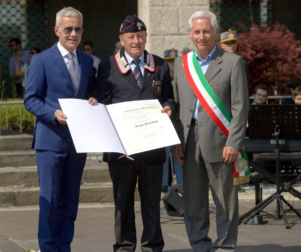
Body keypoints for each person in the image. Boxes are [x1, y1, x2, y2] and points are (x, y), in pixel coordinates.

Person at [96, 14, 176, 251]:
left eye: (140, 36)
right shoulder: (107, 66)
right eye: (130, 36)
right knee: (123, 202)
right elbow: (101, 102)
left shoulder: (160, 65)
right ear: (121, 39)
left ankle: (152, 246)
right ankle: (125, 246)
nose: (136, 41)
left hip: (152, 146)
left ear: (146, 37)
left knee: (151, 202)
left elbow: (169, 97)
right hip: (121, 148)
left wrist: (170, 106)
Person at [173, 10, 249, 252]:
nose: (202, 36)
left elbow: (240, 107)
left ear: (215, 32)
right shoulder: (181, 63)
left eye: (206, 31)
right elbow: (176, 105)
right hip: (189, 139)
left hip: (221, 139)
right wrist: (176, 140)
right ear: (190, 34)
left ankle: (226, 244)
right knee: (193, 200)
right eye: (197, 31)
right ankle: (199, 244)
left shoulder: (232, 62)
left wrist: (234, 142)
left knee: (225, 199)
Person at [23, 7, 96, 252]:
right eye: (68, 29)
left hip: (78, 142)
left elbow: (89, 94)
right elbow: (30, 99)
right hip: (50, 141)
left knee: (70, 200)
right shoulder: (41, 60)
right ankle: (48, 247)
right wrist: (53, 113)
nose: (73, 34)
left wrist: (93, 101)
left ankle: (64, 245)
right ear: (57, 30)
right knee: (50, 200)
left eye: (77, 29)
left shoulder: (86, 61)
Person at [162, 48, 183, 192]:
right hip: (164, 121)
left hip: (178, 121)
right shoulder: (162, 77)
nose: (172, 65)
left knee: (179, 156)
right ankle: (163, 184)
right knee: (163, 155)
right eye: (169, 62)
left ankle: (181, 184)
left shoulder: (181, 78)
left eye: (174, 62)